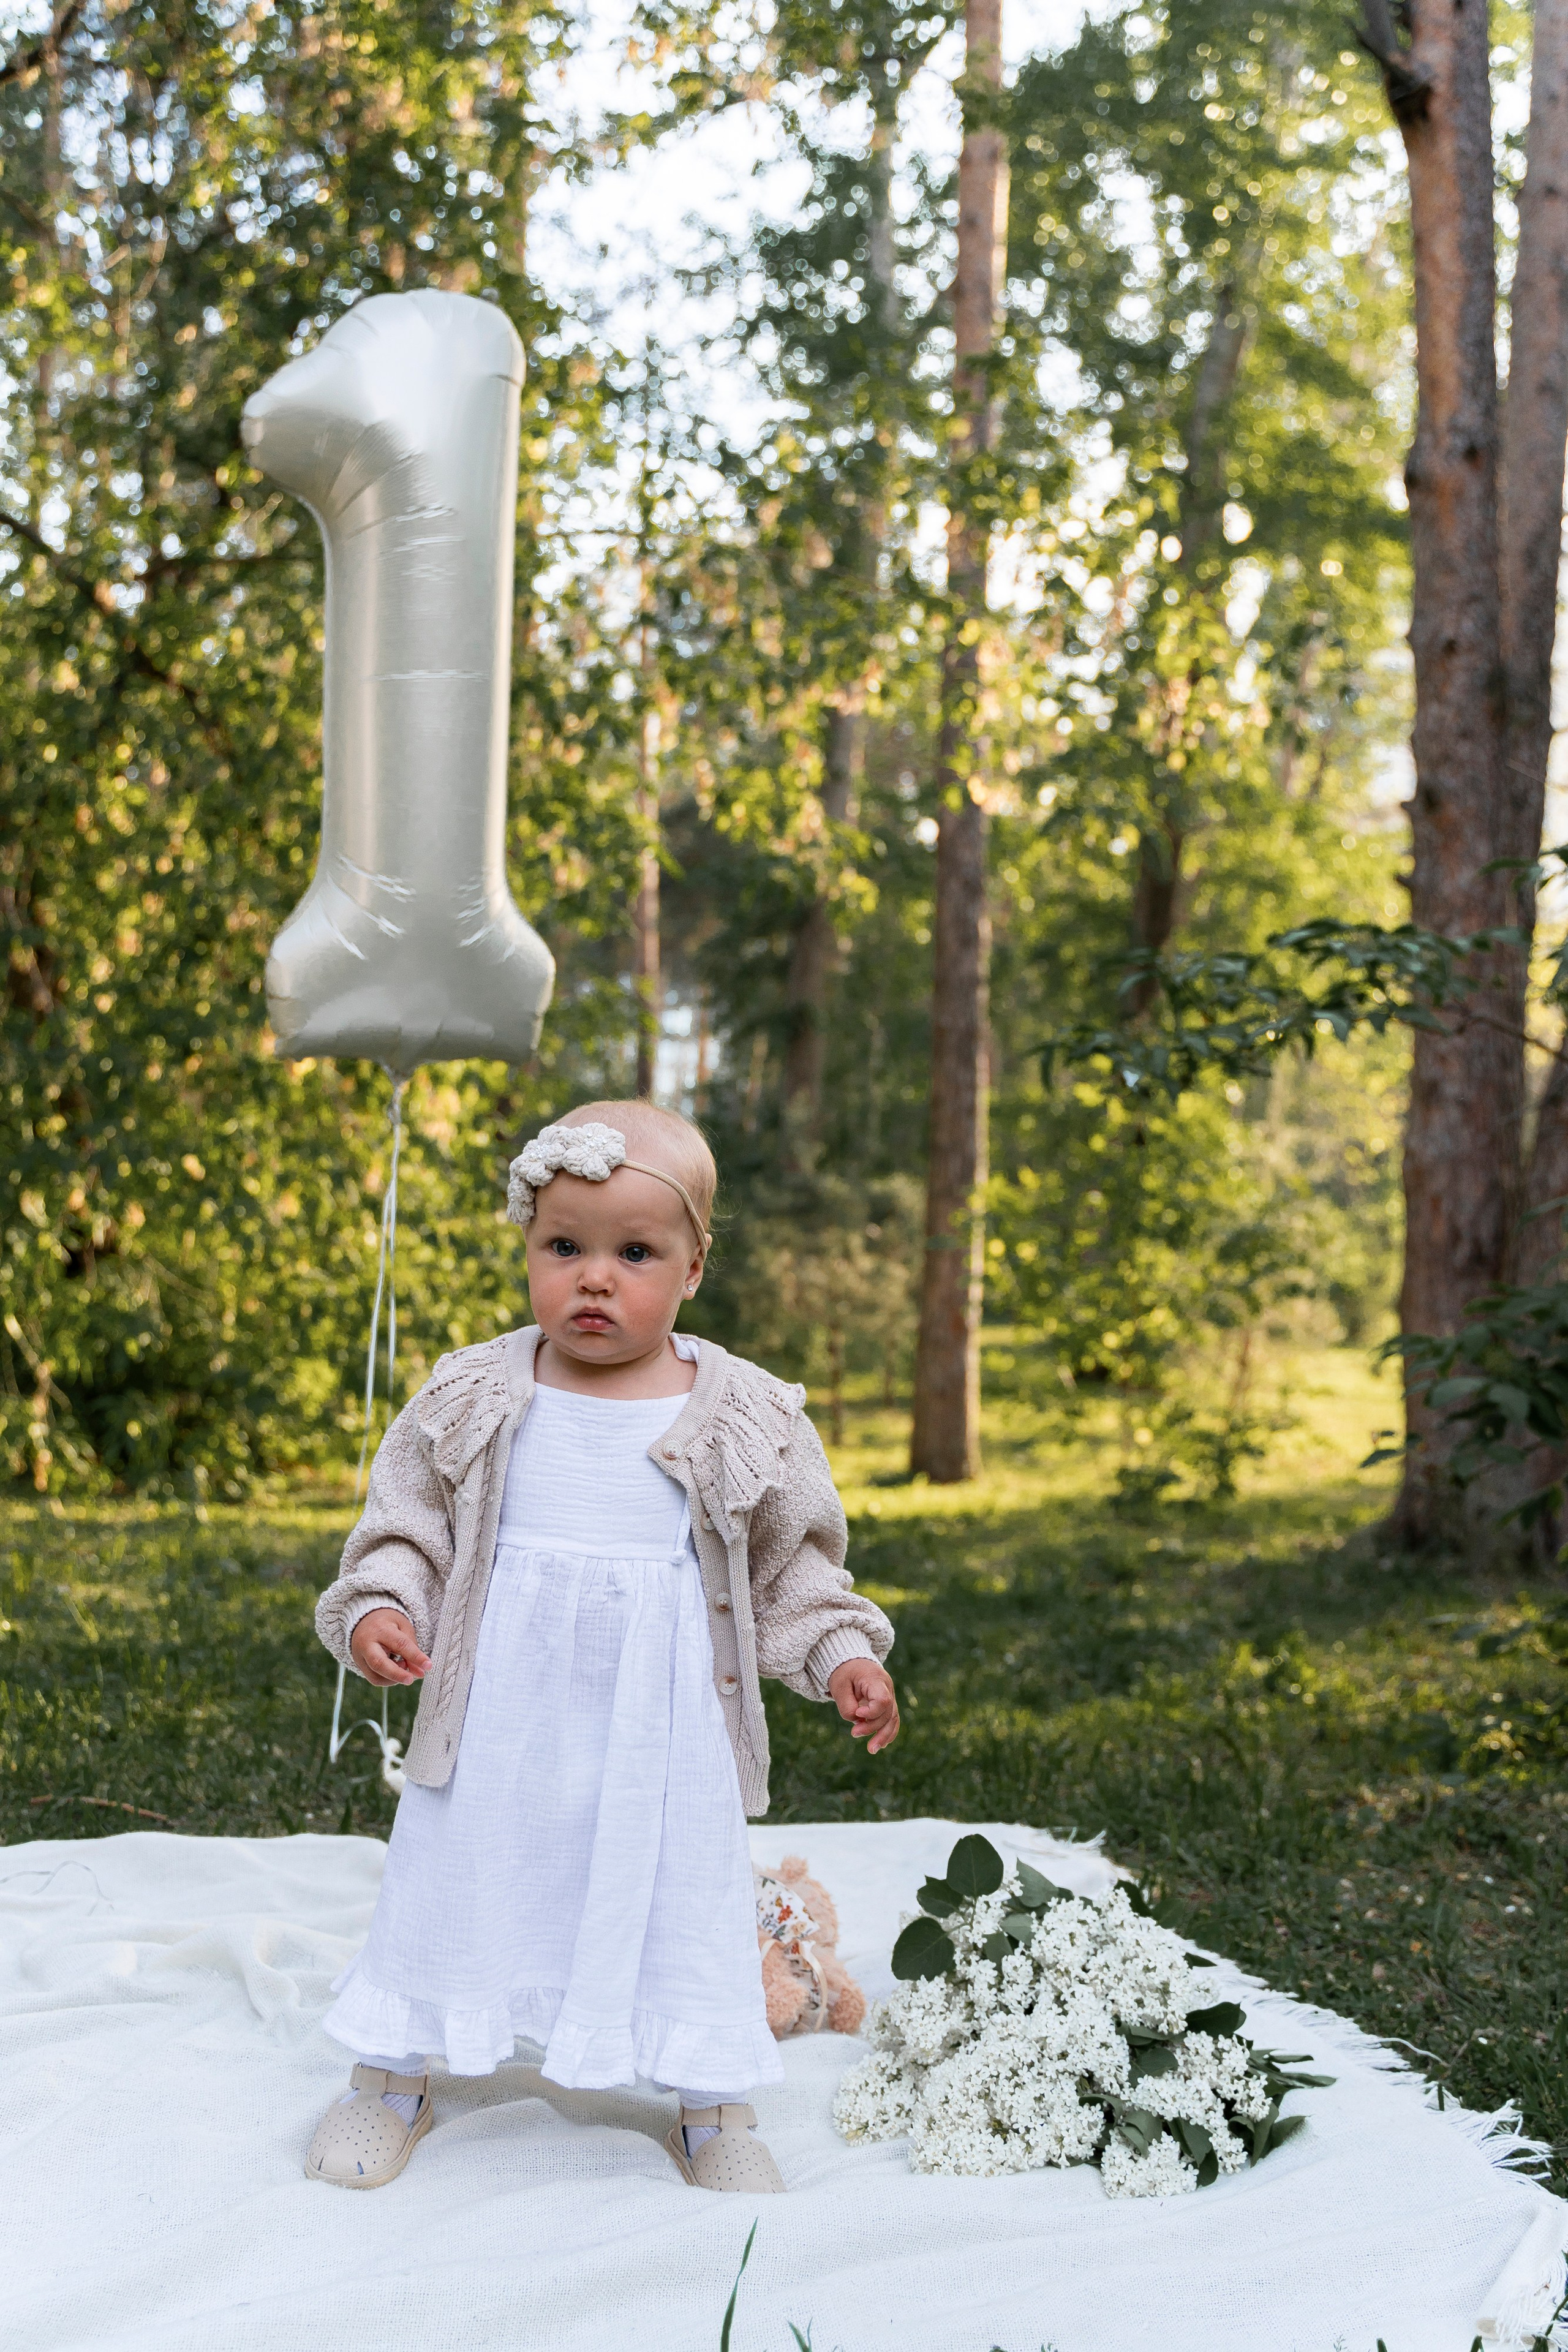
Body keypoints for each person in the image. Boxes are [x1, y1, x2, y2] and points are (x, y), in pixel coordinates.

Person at [306, 1100, 899, 2196]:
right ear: (528, 1248)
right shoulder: (476, 1393)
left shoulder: (743, 1413)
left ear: (693, 1268)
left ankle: (710, 2103)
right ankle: (392, 2077)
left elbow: (791, 1567)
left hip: (661, 1729)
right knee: (456, 1876)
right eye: (563, 1247)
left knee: (679, 1898)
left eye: (634, 1254)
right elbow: (408, 1527)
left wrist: (840, 1654)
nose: (593, 1278)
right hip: (497, 1715)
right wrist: (385, 1606)